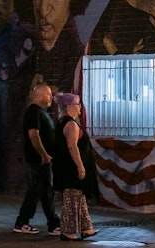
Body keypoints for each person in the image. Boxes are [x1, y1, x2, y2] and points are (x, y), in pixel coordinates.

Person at [13, 84, 61, 235]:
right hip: (38, 161)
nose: (51, 98)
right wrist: (44, 155)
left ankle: (23, 222)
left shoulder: (41, 112)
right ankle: (53, 225)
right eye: (48, 95)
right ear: (39, 96)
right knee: (45, 191)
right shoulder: (33, 112)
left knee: (36, 191)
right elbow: (34, 135)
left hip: (42, 160)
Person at [52, 93, 98, 242]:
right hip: (71, 169)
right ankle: (67, 230)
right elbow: (72, 147)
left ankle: (86, 227)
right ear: (70, 107)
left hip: (68, 167)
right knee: (72, 199)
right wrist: (80, 166)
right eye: (78, 105)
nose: (80, 109)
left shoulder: (63, 122)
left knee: (79, 197)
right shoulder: (71, 124)